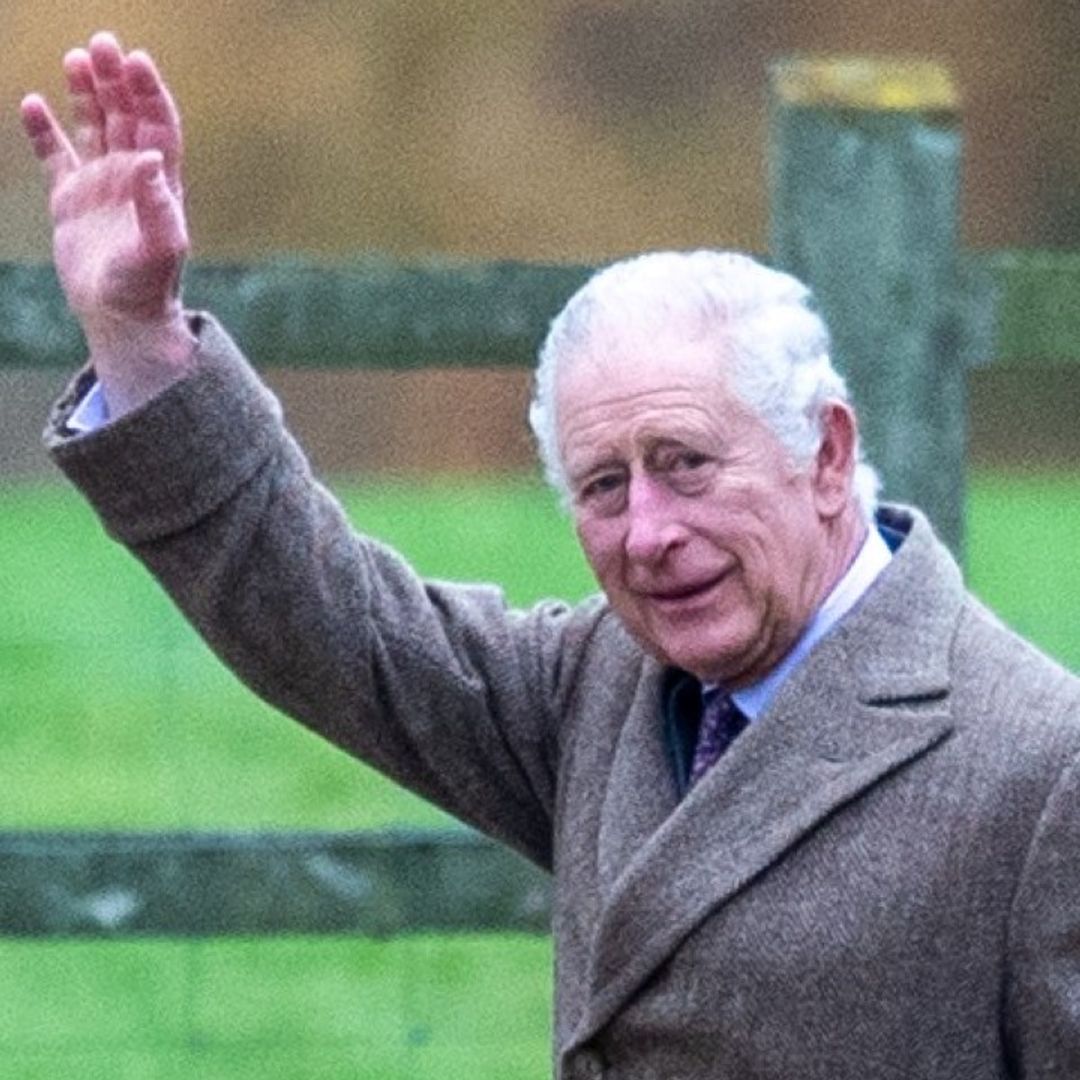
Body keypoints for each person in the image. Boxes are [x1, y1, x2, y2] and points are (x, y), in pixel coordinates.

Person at [22, 32, 1080, 1080]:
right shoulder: (604, 686)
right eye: (605, 486)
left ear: (826, 453)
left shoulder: (1038, 768)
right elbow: (324, 621)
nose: (650, 533)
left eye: (687, 463)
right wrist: (137, 335)